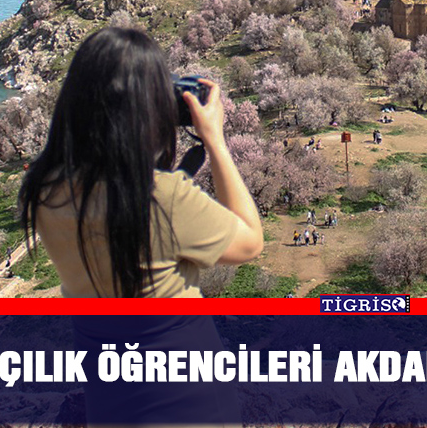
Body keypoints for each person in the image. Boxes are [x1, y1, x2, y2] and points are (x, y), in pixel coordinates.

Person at [17, 27, 261, 426]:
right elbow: (249, 242)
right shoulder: (163, 198)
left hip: (110, 405)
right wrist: (215, 141)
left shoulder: (44, 191)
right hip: (191, 406)